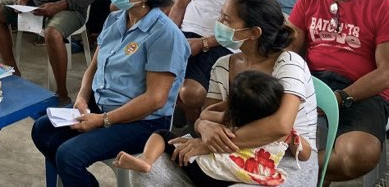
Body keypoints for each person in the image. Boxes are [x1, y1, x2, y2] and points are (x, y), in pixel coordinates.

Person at [131, 0, 319, 186]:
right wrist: (203, 127)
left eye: (227, 20)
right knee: (149, 170)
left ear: (254, 32)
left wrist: (207, 144)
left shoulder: (289, 63)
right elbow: (205, 116)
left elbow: (280, 127)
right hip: (225, 152)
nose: (218, 24)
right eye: (221, 16)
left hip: (285, 158)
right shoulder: (223, 64)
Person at [30, 0, 189, 186]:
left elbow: (155, 99)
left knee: (70, 155)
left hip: (142, 122)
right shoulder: (116, 19)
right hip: (102, 105)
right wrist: (83, 97)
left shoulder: (164, 35)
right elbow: (94, 66)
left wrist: (102, 121)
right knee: (42, 129)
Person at [289, 0, 389, 183]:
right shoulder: (308, 0)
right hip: (313, 83)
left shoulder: (381, 8)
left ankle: (286, 169)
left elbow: (385, 72)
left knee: (357, 154)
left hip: (362, 91)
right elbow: (289, 53)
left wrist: (340, 98)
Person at [117, 71, 308, 186]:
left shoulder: (229, 121)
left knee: (163, 135)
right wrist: (291, 137)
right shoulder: (282, 132)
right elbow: (305, 154)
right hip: (237, 180)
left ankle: (146, 160)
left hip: (206, 172)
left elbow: (205, 114)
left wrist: (227, 105)